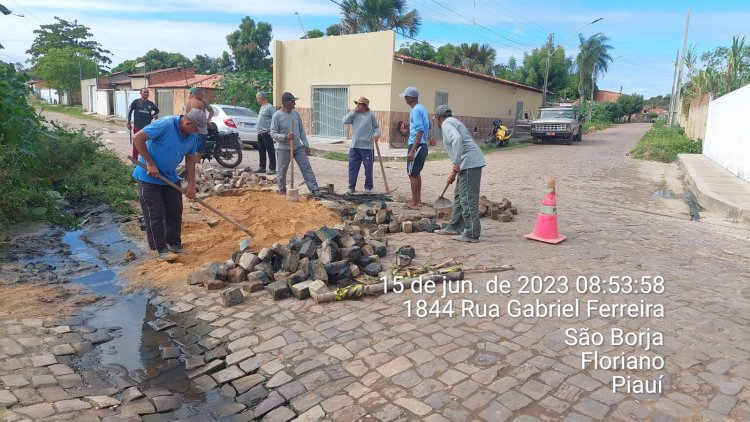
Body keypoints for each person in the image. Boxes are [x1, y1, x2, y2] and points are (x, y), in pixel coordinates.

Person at [131, 108, 207, 260]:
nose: (197, 132)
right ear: (187, 122)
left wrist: (191, 183)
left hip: (170, 177)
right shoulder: (165, 124)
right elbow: (138, 138)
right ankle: (160, 249)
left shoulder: (192, 136)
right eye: (196, 129)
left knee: (175, 211)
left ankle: (174, 244)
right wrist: (150, 163)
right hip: (149, 177)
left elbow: (190, 159)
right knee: (155, 214)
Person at [432, 105, 486, 243]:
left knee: (467, 199)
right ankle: (455, 226)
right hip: (466, 164)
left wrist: (456, 163)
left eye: (435, 119)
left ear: (438, 118)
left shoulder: (446, 124)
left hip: (470, 163)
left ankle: (472, 233)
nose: (436, 122)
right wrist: (454, 172)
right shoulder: (453, 122)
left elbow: (457, 140)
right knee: (459, 196)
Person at [270, 92, 321, 197]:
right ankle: (282, 191)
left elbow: (301, 130)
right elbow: (273, 133)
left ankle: (314, 189)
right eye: (293, 101)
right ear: (286, 103)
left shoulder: (296, 114)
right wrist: (285, 136)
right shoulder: (277, 116)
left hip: (298, 147)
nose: (295, 103)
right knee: (282, 170)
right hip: (283, 148)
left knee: (306, 167)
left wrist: (306, 145)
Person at [399, 86, 430, 209]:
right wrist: (407, 132)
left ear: (410, 98)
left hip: (417, 146)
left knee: (411, 174)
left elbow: (420, 130)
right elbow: (422, 128)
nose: (405, 99)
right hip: (421, 145)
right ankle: (417, 199)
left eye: (405, 97)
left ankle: (415, 202)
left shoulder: (415, 111)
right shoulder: (421, 108)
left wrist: (412, 150)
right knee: (416, 173)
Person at [343, 96, 380, 194]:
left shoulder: (370, 115)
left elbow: (376, 128)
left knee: (368, 169)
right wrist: (353, 111)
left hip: (367, 147)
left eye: (359, 104)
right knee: (352, 168)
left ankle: (368, 187)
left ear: (365, 106)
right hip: (355, 146)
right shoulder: (354, 114)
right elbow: (344, 121)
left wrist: (376, 134)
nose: (357, 106)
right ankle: (351, 187)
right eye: (357, 104)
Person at [127, 88, 159, 160]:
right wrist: (128, 122)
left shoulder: (150, 104)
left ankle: (145, 160)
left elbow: (157, 111)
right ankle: (134, 159)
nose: (146, 93)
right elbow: (130, 111)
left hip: (147, 127)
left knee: (147, 144)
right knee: (136, 143)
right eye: (145, 92)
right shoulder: (136, 102)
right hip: (137, 126)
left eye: (147, 92)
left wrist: (152, 116)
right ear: (141, 93)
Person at [185, 87, 214, 156]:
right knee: (198, 149)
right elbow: (201, 117)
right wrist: (207, 122)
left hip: (190, 127)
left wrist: (207, 120)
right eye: (203, 93)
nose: (204, 95)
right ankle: (197, 164)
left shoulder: (202, 101)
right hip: (198, 127)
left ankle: (195, 164)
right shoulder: (200, 102)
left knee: (193, 148)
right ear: (196, 94)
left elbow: (211, 112)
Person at [255, 91, 276, 175]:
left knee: (270, 150)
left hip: (267, 133)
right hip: (260, 133)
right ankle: (262, 167)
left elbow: (275, 120)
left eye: (257, 98)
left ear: (261, 98)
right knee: (261, 150)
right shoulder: (262, 107)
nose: (257, 100)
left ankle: (272, 168)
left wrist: (272, 131)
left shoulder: (269, 107)